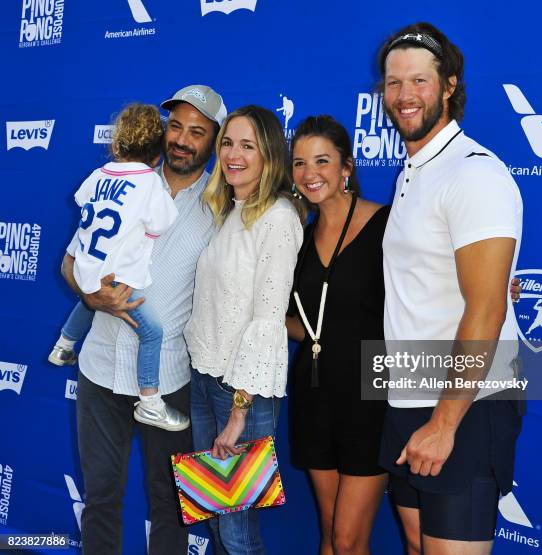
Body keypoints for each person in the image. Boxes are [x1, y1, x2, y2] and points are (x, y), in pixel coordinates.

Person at [60, 84, 227, 555]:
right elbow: (69, 265)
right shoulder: (122, 183)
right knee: (102, 499)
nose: (182, 139)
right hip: (98, 369)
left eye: (197, 132)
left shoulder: (221, 209)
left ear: (213, 141)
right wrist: (93, 298)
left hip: (169, 379)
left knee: (171, 504)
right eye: (175, 126)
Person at [377, 23, 524, 555]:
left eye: (418, 81)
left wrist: (444, 421)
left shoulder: (474, 174)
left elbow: (485, 311)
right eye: (393, 83)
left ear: (448, 86)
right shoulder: (413, 172)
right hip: (408, 392)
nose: (403, 96)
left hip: (466, 405)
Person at [184, 105, 305, 555]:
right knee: (218, 519)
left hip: (241, 394)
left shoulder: (277, 218)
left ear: (269, 155)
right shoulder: (231, 211)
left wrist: (238, 412)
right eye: (228, 143)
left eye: (247, 145)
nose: (234, 154)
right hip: (205, 380)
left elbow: (268, 321)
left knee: (236, 535)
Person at [49, 103, 190, 431]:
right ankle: (151, 402)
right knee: (153, 333)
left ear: (117, 145)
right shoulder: (150, 183)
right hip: (118, 279)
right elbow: (163, 221)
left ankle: (63, 345)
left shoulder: (98, 175)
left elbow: (84, 203)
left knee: (89, 302)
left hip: (87, 269)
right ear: (158, 156)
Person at [286, 115, 389, 555]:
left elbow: (435, 289)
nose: (311, 174)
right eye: (300, 163)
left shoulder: (388, 224)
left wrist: (495, 286)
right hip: (314, 396)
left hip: (372, 397)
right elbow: (295, 319)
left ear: (346, 166)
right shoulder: (298, 237)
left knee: (348, 541)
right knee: (329, 536)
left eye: (322, 161)